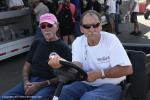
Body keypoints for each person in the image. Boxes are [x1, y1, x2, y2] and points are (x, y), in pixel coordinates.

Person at [48, 10, 133, 100]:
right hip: (86, 84)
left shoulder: (111, 40)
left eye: (95, 25)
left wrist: (100, 73)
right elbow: (77, 65)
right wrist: (61, 64)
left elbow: (128, 69)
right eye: (87, 26)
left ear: (100, 26)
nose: (92, 30)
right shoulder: (78, 42)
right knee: (65, 91)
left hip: (111, 85)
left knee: (89, 98)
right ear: (81, 29)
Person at [2, 13, 72, 100]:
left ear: (57, 26)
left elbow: (67, 75)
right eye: (43, 26)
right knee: (4, 97)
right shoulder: (37, 43)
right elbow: (27, 65)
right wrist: (26, 82)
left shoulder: (64, 48)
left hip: (49, 84)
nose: (46, 29)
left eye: (50, 25)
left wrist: (40, 85)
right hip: (31, 80)